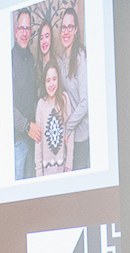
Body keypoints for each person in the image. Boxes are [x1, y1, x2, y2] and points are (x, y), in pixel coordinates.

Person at [58, 7, 89, 170]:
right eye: (64, 27)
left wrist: (67, 128)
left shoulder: (80, 57)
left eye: (70, 27)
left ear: (76, 30)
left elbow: (85, 103)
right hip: (70, 137)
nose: (66, 31)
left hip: (81, 136)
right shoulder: (64, 58)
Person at [12, 7, 40, 180]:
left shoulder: (30, 58)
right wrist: (27, 126)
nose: (24, 33)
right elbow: (6, 106)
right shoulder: (9, 59)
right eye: (21, 28)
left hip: (33, 140)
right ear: (16, 32)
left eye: (27, 28)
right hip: (19, 141)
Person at [35, 59, 73, 176]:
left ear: (58, 80)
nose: (51, 84)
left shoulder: (64, 99)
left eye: (54, 79)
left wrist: (69, 163)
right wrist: (38, 172)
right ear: (44, 83)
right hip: (46, 172)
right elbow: (38, 142)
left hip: (63, 169)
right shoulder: (41, 104)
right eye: (48, 80)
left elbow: (70, 133)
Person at [36, 16, 56, 88]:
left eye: (47, 36)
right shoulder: (37, 67)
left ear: (51, 38)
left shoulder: (58, 64)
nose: (44, 41)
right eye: (41, 38)